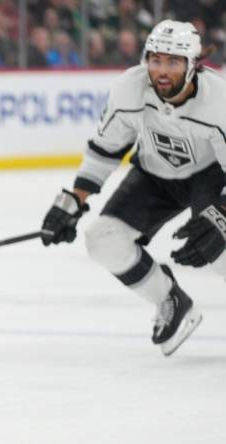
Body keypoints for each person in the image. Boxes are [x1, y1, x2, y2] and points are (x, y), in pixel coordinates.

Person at [40, 20, 226, 357]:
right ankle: (170, 298)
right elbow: (106, 148)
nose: (162, 71)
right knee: (102, 240)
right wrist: (72, 202)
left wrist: (221, 215)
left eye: (173, 62)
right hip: (154, 175)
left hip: (210, 176)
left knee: (221, 250)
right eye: (155, 60)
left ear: (193, 65)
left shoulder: (220, 101)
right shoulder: (130, 88)